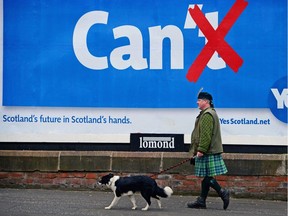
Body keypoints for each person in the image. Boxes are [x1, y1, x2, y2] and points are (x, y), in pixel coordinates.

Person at [187, 92, 230, 210]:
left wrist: (201, 150)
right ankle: (201, 201)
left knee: (208, 178)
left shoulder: (207, 115)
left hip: (208, 151)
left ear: (206, 101)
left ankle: (222, 192)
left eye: (200, 100)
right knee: (207, 177)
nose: (197, 102)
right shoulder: (209, 113)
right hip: (210, 150)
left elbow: (206, 135)